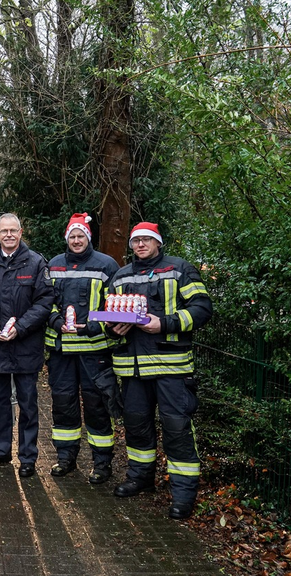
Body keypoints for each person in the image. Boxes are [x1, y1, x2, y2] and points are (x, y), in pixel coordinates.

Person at [107, 222, 212, 519]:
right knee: (137, 427)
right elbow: (111, 317)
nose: (140, 245)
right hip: (132, 369)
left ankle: (182, 495)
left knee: (177, 430)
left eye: (145, 240)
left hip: (172, 368)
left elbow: (202, 308)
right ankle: (140, 479)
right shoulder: (121, 275)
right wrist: (113, 328)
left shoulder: (180, 269)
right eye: (135, 241)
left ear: (157, 242)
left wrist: (164, 323)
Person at [45, 213, 121, 484]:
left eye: (81, 236)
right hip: (62, 349)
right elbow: (46, 301)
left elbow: (113, 306)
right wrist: (55, 322)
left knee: (97, 405)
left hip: (94, 349)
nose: (76, 241)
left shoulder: (107, 265)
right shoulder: (54, 265)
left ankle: (102, 463)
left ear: (89, 237)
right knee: (63, 404)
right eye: (72, 236)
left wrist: (91, 326)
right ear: (67, 239)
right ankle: (66, 458)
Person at [0, 213, 54, 478]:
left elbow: (44, 302)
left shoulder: (35, 263)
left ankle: (28, 456)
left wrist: (19, 328)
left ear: (21, 232)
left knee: (28, 403)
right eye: (3, 231)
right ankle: (0, 451)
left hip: (25, 346)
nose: (8, 235)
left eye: (13, 230)